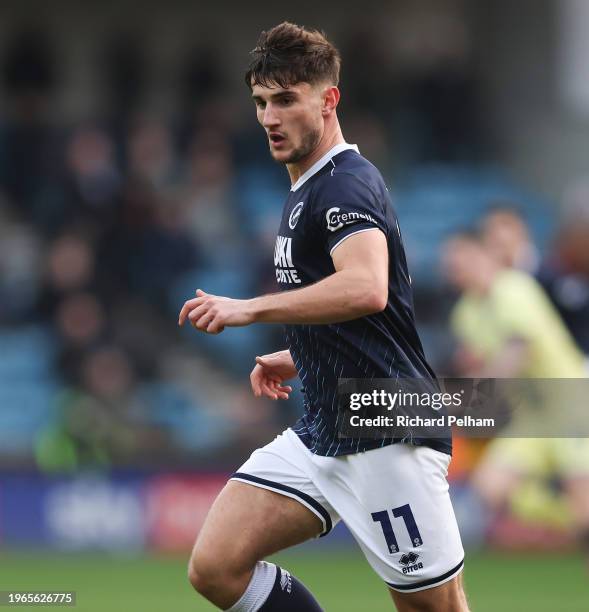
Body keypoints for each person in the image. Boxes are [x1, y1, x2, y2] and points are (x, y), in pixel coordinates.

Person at [179, 23, 467, 611]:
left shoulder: (345, 185)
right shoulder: (308, 188)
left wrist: (248, 309)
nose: (268, 118)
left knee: (434, 609)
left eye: (286, 99)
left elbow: (366, 289)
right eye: (261, 102)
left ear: (328, 100)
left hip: (386, 429)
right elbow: (365, 314)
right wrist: (302, 355)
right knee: (216, 567)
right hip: (327, 425)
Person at [442, 232, 589, 563]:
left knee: (585, 512)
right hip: (532, 418)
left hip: (572, 405)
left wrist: (466, 397)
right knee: (488, 488)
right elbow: (478, 367)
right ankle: (555, 514)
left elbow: (517, 352)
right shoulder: (465, 313)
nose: (454, 268)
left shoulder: (512, 288)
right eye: (450, 264)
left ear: (484, 256)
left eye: (461, 259)